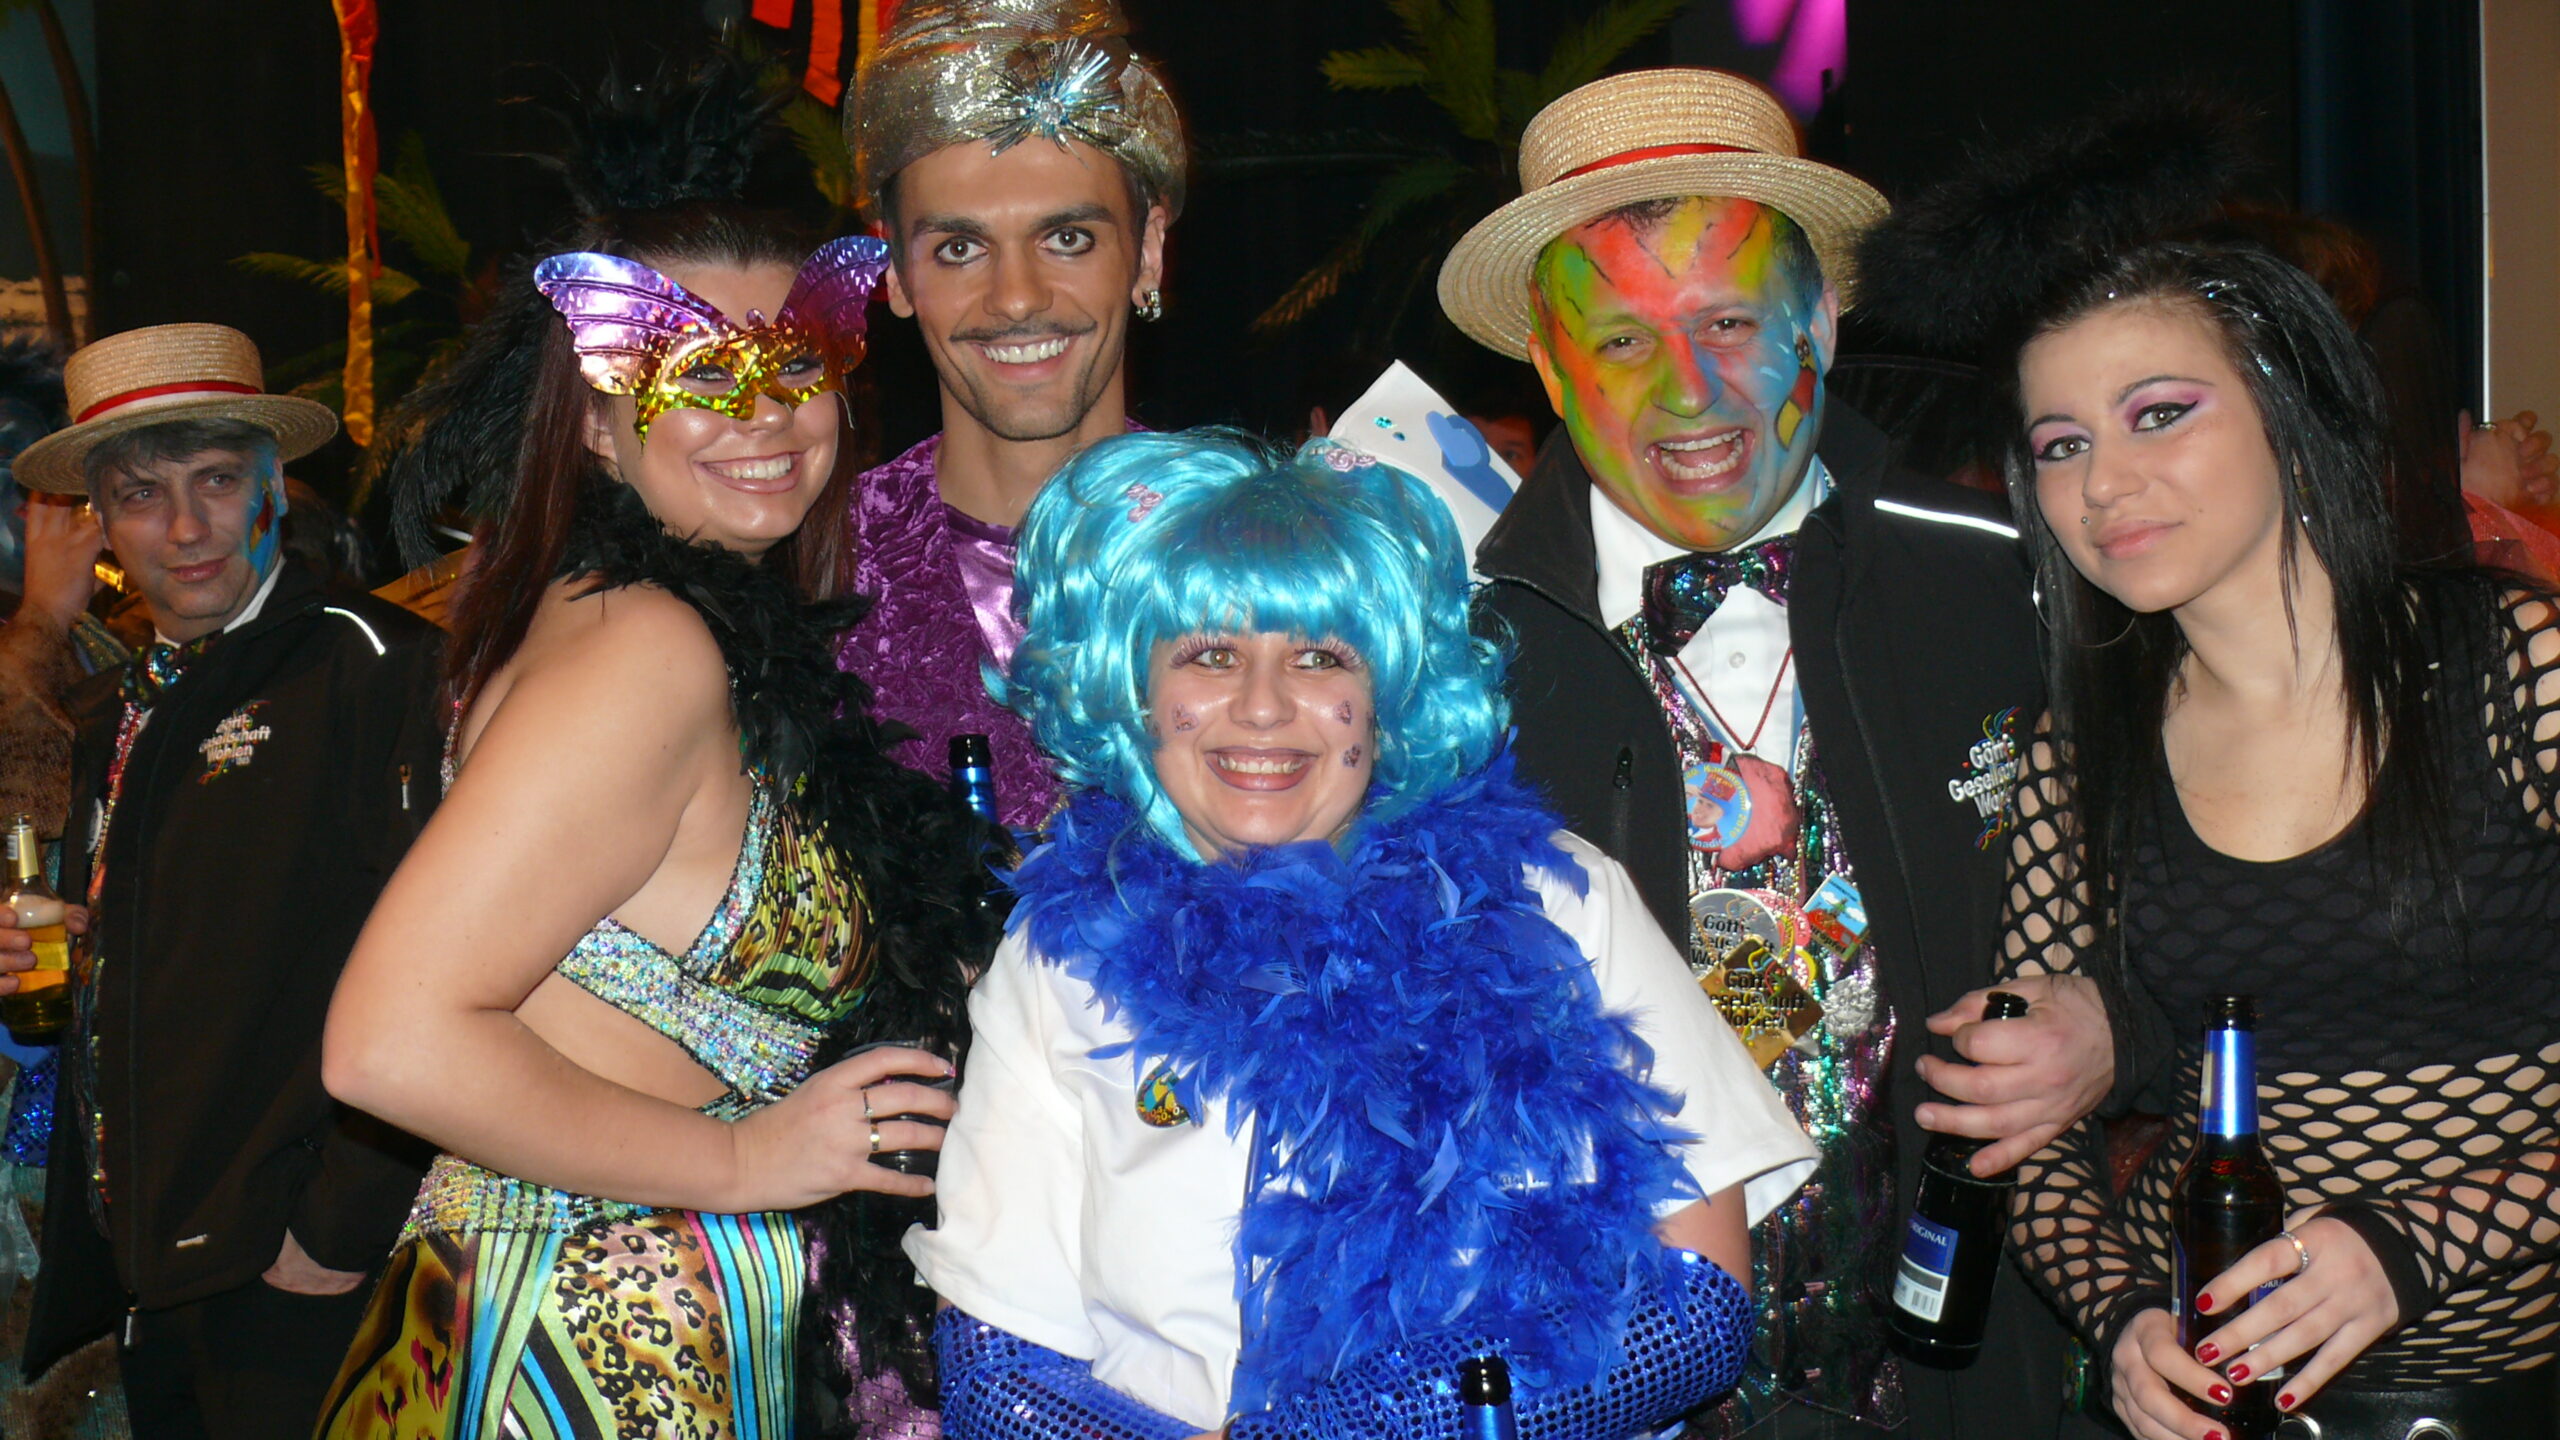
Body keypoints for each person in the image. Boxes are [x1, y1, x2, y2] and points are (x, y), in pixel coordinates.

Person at [312, 63, 997, 1438]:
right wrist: (741, 1159)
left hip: (656, 1320)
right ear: (594, 419)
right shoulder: (646, 648)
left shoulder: (666, 625)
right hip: (582, 1341)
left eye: (793, 365)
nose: (763, 414)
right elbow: (386, 1042)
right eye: (699, 374)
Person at [1434, 69, 2118, 1438]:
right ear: (1552, 372)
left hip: (1968, 1367)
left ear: (1822, 321)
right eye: (1620, 340)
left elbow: (2203, 883)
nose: (1688, 390)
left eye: (1730, 322)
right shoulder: (1448, 662)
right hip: (1611, 1381)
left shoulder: (2016, 584)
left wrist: (2116, 1028)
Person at [909, 429, 1817, 1440]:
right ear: (1134, 692)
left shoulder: (1561, 902)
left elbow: (1696, 1310)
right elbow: (999, 1375)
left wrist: (1350, 1432)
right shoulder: (1059, 957)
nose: (1262, 707)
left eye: (1318, 656)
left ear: (1386, 696)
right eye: (1209, 653)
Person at [1996, 242, 2560, 1440]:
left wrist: (2417, 1242)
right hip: (2211, 1402)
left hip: (2495, 1397)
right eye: (2061, 444)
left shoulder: (2520, 670)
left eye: (2157, 414)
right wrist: (2119, 1316)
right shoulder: (2076, 750)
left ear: (2290, 414)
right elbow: (2030, 1132)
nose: (2103, 483)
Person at [0, 323, 437, 1439]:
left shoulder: (369, 663)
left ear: (272, 491)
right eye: (143, 495)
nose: (187, 528)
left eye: (216, 481)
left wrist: (341, 1224)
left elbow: (455, 953)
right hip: (153, 1269)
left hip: (298, 1270)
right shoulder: (116, 705)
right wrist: (70, 951)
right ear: (99, 521)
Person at [834, 0, 1182, 829]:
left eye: (1067, 239)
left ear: (1147, 252)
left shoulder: (1270, 551)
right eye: (960, 248)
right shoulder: (812, 568)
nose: (1017, 297)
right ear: (896, 275)